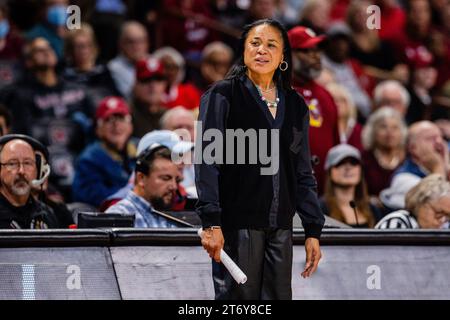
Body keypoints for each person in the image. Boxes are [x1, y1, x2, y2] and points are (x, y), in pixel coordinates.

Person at [196, 19, 324, 300]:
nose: (262, 50)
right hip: (237, 225)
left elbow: (302, 171)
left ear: (283, 57)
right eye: (254, 43)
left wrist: (313, 227)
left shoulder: (295, 104)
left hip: (281, 227)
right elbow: (207, 162)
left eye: (271, 45)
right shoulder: (222, 95)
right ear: (243, 50)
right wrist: (211, 222)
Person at [288, 25, 339, 194]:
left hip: (322, 193)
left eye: (317, 50)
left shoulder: (325, 95)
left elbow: (336, 143)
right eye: (307, 51)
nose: (316, 56)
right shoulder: (272, 92)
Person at [72, 96, 137, 207]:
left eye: (121, 118)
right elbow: (94, 196)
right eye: (108, 120)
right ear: (98, 129)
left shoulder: (143, 149)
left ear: (130, 126)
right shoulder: (89, 159)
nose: (116, 125)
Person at [105, 144, 180, 228]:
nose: (174, 187)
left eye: (177, 180)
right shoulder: (119, 215)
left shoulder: (171, 217)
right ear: (141, 178)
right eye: (165, 178)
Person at [0, 134, 59, 229]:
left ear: (38, 170)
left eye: (28, 163)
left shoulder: (46, 215)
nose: (21, 171)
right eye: (12, 163)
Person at [321, 144, 382, 228]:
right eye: (340, 163)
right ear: (330, 171)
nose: (348, 167)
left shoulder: (373, 210)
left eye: (354, 162)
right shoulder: (319, 209)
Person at [361, 107, 407, 197]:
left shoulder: (408, 159)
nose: (389, 132)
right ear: (373, 132)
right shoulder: (363, 159)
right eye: (383, 127)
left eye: (395, 128)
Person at [376, 174, 450, 229]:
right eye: (438, 214)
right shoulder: (398, 222)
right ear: (421, 203)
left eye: (447, 217)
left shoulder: (445, 228)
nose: (442, 221)